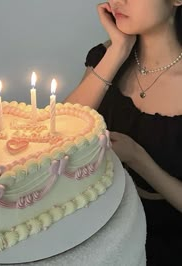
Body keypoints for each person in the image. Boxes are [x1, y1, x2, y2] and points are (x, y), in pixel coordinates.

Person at [64, 1, 182, 265]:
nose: (118, 1)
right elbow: (61, 133)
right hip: (99, 212)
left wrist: (138, 158)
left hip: (166, 234)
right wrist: (118, 49)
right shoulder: (107, 55)